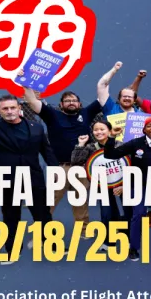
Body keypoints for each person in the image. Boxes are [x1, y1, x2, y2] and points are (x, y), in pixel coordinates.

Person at [0, 97, 57, 264]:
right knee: (10, 216)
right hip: (6, 179)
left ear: (19, 108)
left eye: (12, 108)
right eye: (5, 109)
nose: (9, 111)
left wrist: (55, 170)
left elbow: (47, 151)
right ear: (0, 111)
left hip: (33, 178)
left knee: (42, 213)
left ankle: (50, 245)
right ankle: (12, 252)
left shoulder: (36, 127)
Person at [23, 86, 100, 239]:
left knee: (80, 200)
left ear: (79, 104)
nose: (71, 102)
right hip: (60, 166)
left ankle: (83, 230)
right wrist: (26, 85)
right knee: (50, 199)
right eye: (67, 100)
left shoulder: (87, 113)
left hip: (82, 167)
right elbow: (32, 101)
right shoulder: (52, 115)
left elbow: (103, 93)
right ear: (61, 104)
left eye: (74, 100)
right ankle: (41, 230)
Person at [104, 116, 151, 260]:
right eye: (149, 126)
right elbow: (110, 154)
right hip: (140, 184)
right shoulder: (136, 143)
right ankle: (133, 248)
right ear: (144, 129)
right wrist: (112, 136)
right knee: (138, 214)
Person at [70, 121, 125, 251]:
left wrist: (123, 184)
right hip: (102, 185)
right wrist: (81, 144)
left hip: (121, 183)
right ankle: (108, 240)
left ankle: (126, 234)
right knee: (106, 213)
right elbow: (76, 162)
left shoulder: (120, 145)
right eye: (96, 130)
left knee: (127, 210)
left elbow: (128, 163)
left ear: (110, 131)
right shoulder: (91, 147)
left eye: (102, 129)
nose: (99, 132)